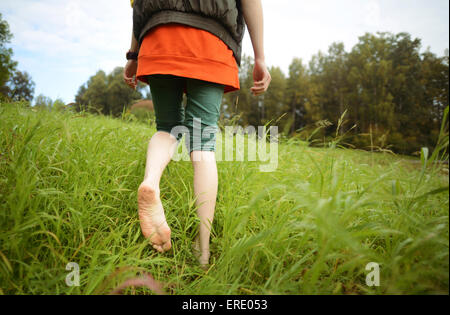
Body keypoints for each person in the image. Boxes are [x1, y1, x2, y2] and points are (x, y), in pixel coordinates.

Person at [124, 0, 271, 268]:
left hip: (157, 38)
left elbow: (137, 5)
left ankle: (151, 182)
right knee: (202, 144)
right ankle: (203, 251)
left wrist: (133, 55)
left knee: (166, 127)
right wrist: (260, 57)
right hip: (210, 42)